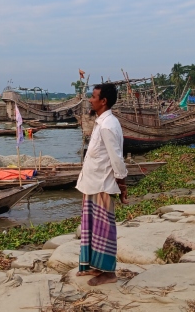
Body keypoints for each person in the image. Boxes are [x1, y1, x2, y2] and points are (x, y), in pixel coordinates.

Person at [75, 83, 128, 286]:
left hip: (103, 184)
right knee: (93, 228)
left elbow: (117, 159)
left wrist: (122, 186)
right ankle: (95, 266)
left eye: (94, 96)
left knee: (104, 230)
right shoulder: (102, 122)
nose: (90, 99)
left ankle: (109, 273)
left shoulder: (108, 125)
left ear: (103, 101)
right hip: (93, 183)